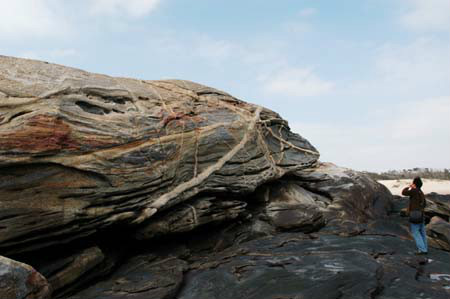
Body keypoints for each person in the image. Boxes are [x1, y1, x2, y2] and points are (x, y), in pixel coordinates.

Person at [402, 177, 428, 255]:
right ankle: (425, 248)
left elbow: (404, 192)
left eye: (413, 182)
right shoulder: (421, 191)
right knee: (422, 232)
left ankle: (422, 250)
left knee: (415, 232)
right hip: (421, 214)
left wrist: (409, 187)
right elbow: (424, 204)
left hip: (415, 215)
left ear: (415, 183)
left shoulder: (414, 191)